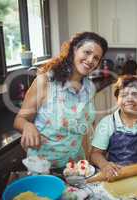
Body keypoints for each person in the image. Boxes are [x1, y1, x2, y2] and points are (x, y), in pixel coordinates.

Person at [14, 32, 108, 168]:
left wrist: (86, 162)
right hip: (44, 168)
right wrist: (27, 126)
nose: (90, 60)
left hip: (76, 169)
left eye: (96, 58)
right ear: (74, 49)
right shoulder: (45, 82)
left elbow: (84, 132)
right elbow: (19, 120)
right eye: (87, 52)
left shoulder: (90, 88)